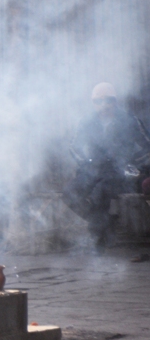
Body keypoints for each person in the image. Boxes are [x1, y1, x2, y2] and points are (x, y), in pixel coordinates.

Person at [63, 82, 150, 247]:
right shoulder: (86, 122)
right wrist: (86, 162)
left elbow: (148, 147)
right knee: (69, 193)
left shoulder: (129, 121)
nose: (104, 105)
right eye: (98, 101)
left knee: (100, 193)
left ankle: (99, 236)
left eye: (108, 100)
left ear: (115, 101)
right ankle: (102, 223)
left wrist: (132, 163)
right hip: (93, 169)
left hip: (119, 173)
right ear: (93, 103)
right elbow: (73, 147)